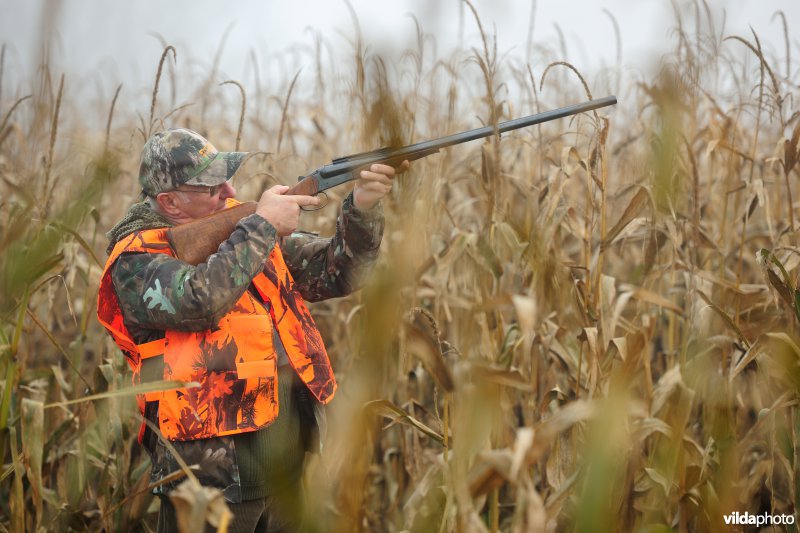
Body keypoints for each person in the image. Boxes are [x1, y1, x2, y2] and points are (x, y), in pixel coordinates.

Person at [96, 128, 406, 532]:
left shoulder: (240, 234)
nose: (229, 189)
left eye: (227, 175)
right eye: (210, 185)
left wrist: (363, 206)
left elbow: (340, 273)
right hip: (210, 483)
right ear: (169, 201)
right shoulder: (135, 261)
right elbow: (200, 301)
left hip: (285, 471)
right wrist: (260, 226)